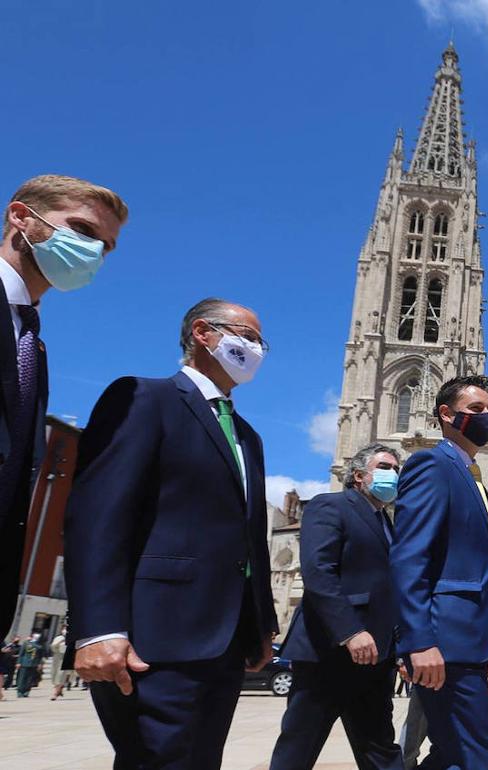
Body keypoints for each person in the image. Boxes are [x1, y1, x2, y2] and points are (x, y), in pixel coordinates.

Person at [65, 297, 278, 768]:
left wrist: (261, 623)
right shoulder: (144, 398)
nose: (256, 349)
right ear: (203, 333)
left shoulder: (247, 436)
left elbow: (249, 537)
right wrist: (96, 629)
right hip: (154, 639)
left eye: (261, 342)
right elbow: (99, 516)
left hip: (224, 646)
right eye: (247, 336)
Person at [1, 175, 127, 630]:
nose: (94, 252)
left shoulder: (31, 343)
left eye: (107, 246)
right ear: (21, 217)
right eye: (83, 231)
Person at [390, 375, 488, 770]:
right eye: (477, 410)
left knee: (456, 754)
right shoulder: (431, 464)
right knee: (476, 757)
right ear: (446, 415)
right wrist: (417, 641)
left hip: (472, 642)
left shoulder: (471, 475)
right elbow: (409, 556)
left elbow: (487, 572)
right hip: (446, 642)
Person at [269, 443, 406, 770]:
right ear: (359, 476)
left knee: (381, 751)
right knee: (298, 749)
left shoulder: (388, 523)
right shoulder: (329, 505)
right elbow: (318, 571)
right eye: (386, 466)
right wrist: (350, 630)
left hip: (375, 659)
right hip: (328, 654)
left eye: (397, 469)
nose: (394, 474)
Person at [15, 632, 46, 697]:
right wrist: (18, 662)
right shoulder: (26, 643)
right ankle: (20, 691)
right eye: (35, 636)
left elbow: (41, 656)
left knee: (30, 679)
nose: (36, 637)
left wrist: (40, 664)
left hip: (34, 664)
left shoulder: (40, 646)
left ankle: (27, 691)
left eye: (38, 636)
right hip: (24, 663)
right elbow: (21, 654)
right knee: (22, 678)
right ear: (32, 636)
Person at [49, 625, 70, 700]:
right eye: (64, 629)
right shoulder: (58, 638)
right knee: (54, 674)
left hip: (65, 659)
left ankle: (55, 693)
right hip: (57, 657)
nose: (65, 630)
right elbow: (53, 647)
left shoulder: (71, 638)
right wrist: (59, 642)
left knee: (61, 675)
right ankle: (60, 690)